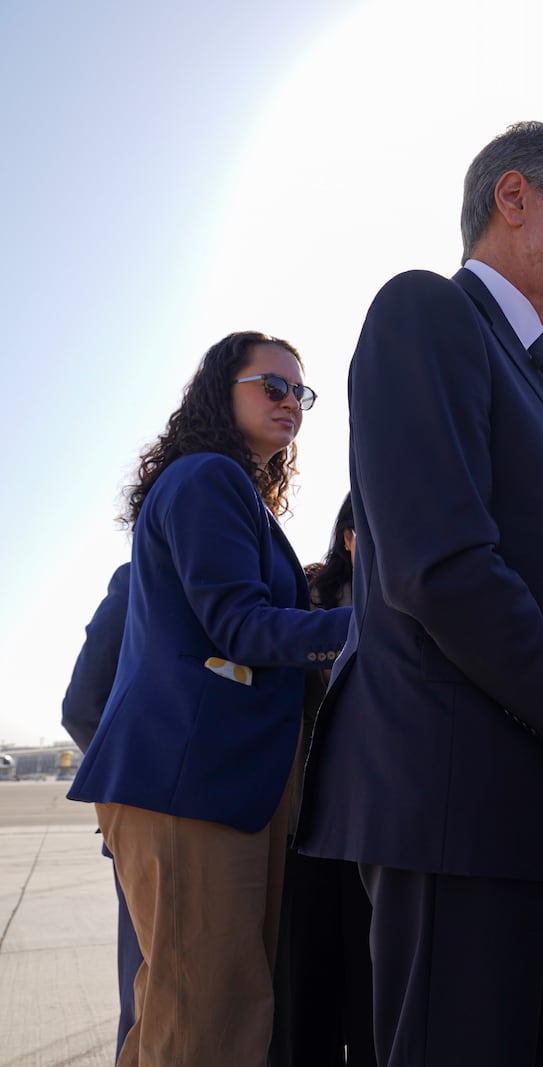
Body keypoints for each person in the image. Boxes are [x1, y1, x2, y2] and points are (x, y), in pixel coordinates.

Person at [293, 121, 543, 1066]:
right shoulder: (426, 313)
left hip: (533, 820)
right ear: (514, 198)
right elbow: (443, 568)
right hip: (454, 816)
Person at [68, 331, 350, 1067]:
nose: (291, 401)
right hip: (193, 786)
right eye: (273, 385)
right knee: (208, 1024)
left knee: (188, 1017)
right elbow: (240, 624)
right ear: (220, 392)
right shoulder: (207, 479)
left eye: (301, 392)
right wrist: (374, 627)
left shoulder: (235, 495)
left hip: (222, 789)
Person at [270, 494, 375, 1067]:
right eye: (369, 529)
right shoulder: (310, 597)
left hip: (381, 820)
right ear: (348, 538)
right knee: (307, 976)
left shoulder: (426, 601)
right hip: (310, 815)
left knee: (372, 983)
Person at [59, 562, 140, 1059]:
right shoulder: (139, 581)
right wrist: (139, 787)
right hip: (150, 820)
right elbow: (81, 707)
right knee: (147, 1000)